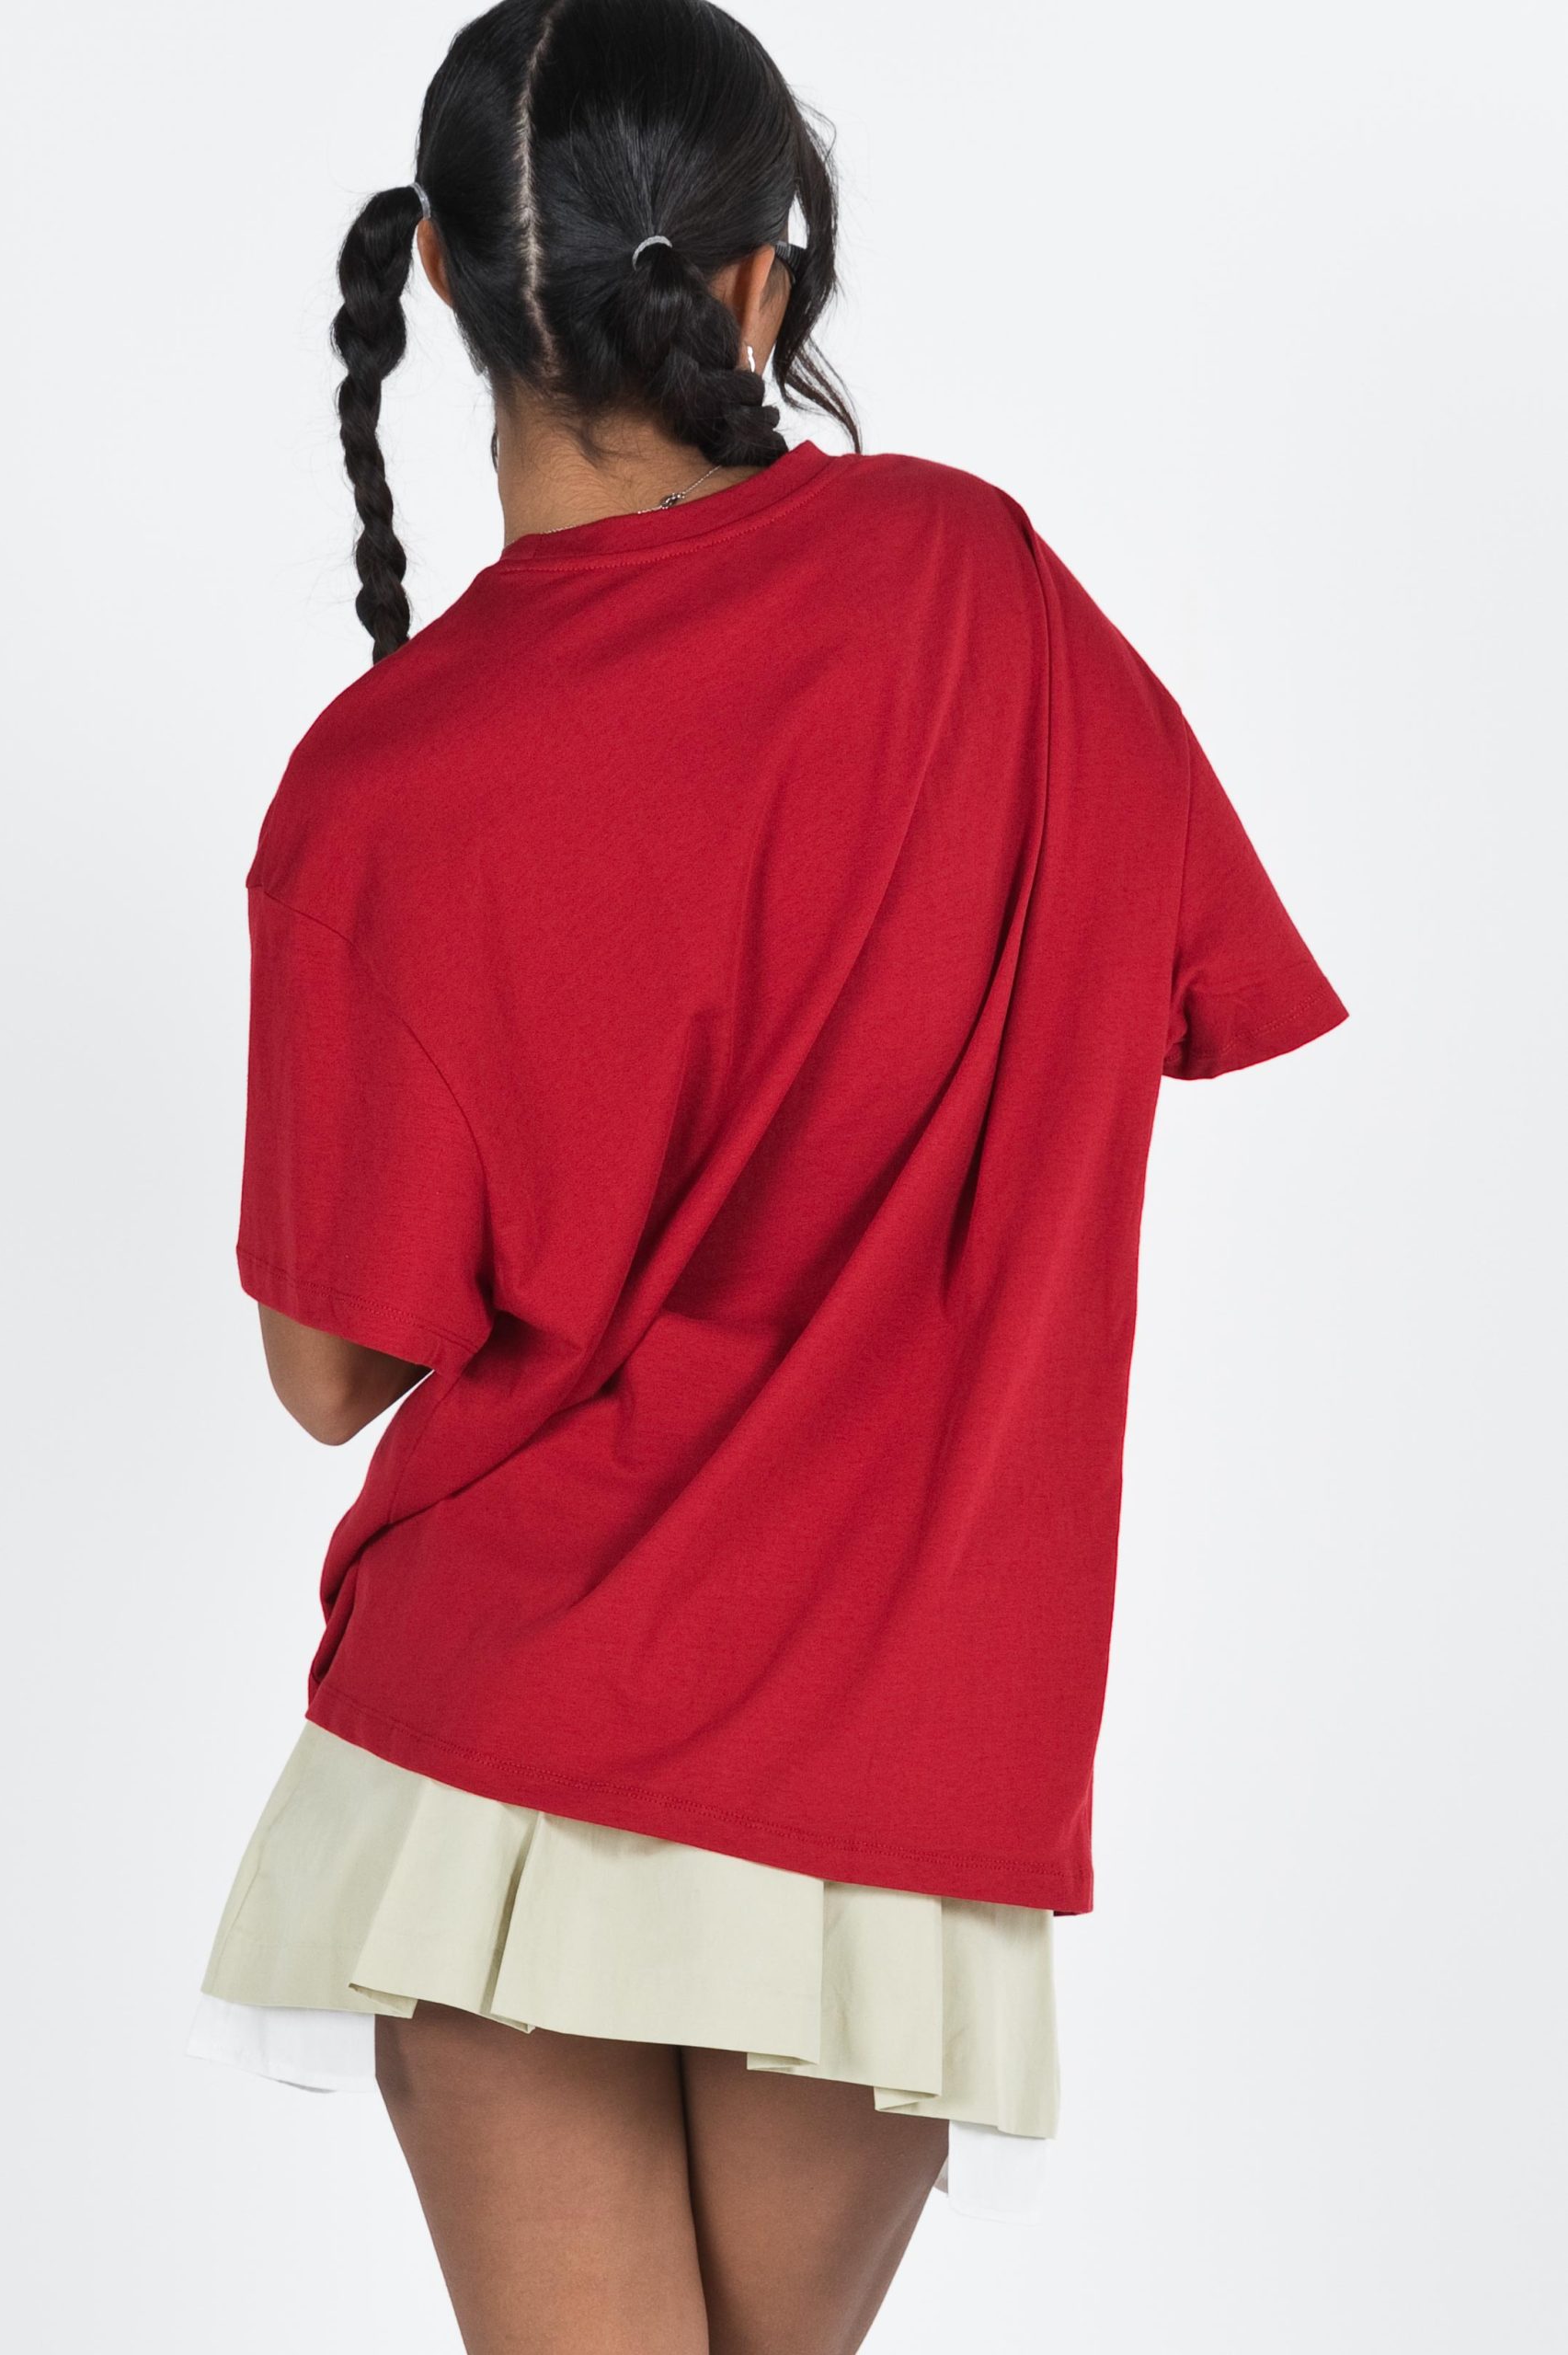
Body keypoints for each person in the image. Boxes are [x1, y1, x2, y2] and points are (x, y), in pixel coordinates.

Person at [188, 1, 1348, 2347]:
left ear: (441, 271)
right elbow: (1180, 992)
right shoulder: (980, 587)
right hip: (895, 1753)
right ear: (757, 284)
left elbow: (331, 1373)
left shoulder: (385, 780)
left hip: (513, 1757)